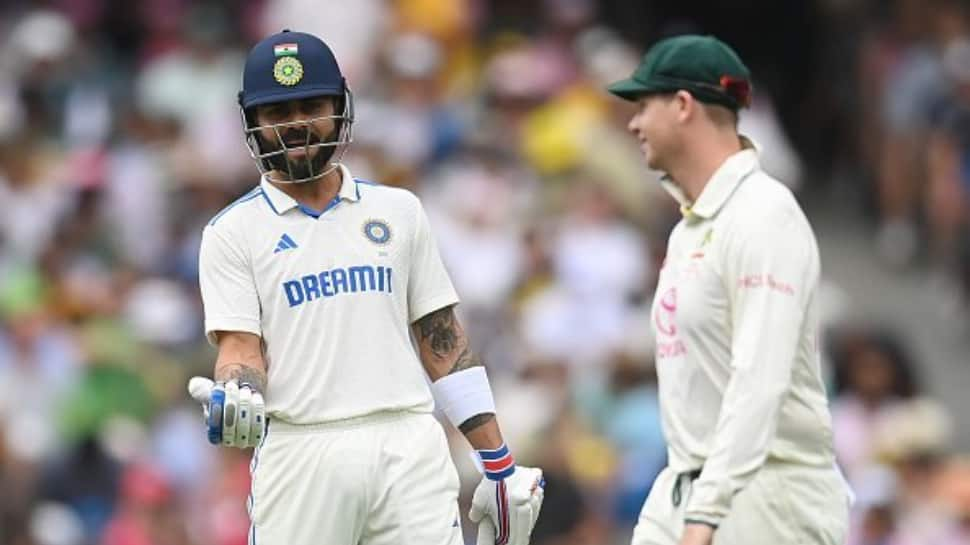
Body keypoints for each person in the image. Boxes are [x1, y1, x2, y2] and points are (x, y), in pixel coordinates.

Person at [186, 29, 543, 545]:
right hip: (302, 450)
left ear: (340, 107)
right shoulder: (231, 233)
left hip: (408, 447)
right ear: (253, 123)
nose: (297, 126)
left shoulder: (398, 212)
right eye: (278, 113)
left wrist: (498, 462)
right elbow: (241, 349)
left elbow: (442, 340)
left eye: (312, 106)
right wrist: (238, 391)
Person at [606, 35, 851, 545]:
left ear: (682, 106)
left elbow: (760, 377)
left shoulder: (764, 214)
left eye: (643, 105)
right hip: (686, 486)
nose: (632, 124)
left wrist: (708, 512)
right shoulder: (687, 229)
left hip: (768, 499)